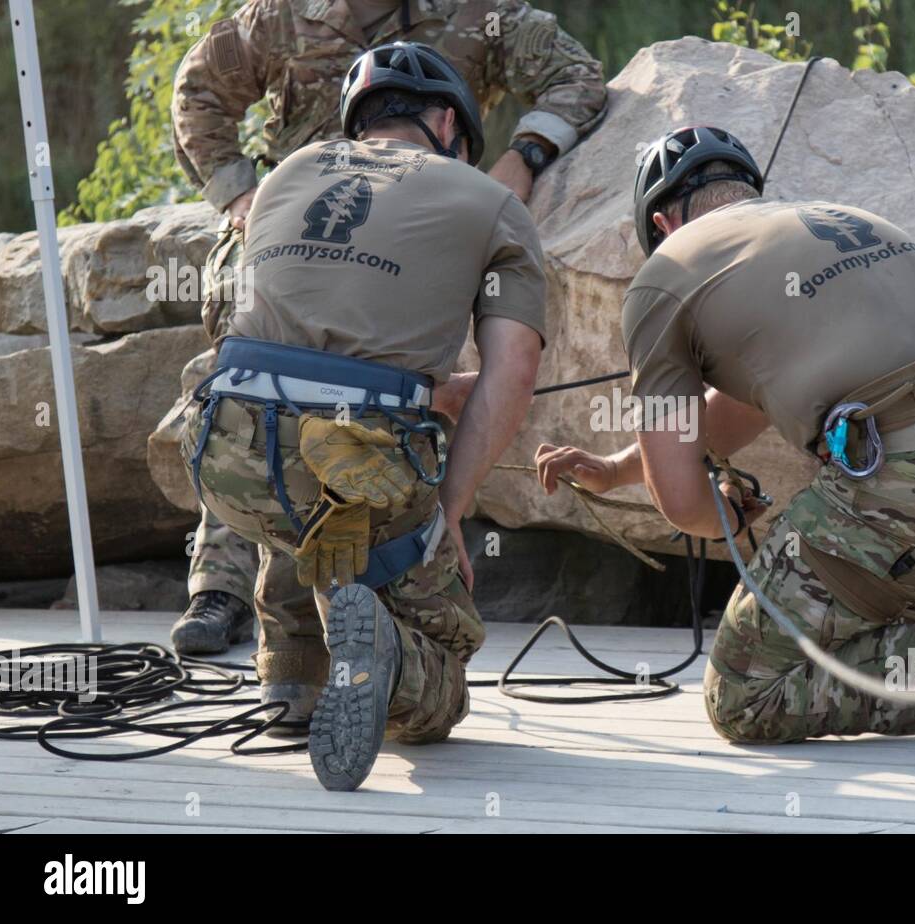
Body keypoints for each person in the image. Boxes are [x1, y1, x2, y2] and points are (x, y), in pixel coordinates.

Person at [534, 126, 915, 745]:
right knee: (826, 623)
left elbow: (679, 499)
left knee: (745, 692)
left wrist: (717, 514)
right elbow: (733, 412)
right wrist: (617, 467)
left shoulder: (665, 273)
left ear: (660, 223)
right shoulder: (822, 219)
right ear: (745, 191)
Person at [168, 0, 605, 658]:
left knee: (308, 384)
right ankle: (222, 586)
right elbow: (200, 89)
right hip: (290, 232)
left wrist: (522, 156)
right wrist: (241, 197)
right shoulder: (281, 15)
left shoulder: (481, 15)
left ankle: (298, 651)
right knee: (269, 376)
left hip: (416, 246)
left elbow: (577, 75)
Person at [182, 42, 545, 790]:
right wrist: (448, 510)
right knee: (445, 665)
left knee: (293, 462)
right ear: (447, 122)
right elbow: (514, 373)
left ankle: (290, 678)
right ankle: (386, 653)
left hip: (225, 453)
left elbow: (291, 344)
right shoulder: (492, 203)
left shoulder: (288, 173)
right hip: (359, 464)